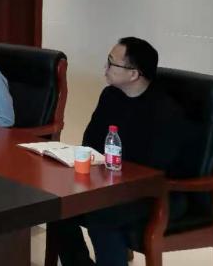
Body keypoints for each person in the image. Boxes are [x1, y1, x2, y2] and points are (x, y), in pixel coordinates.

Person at [48, 37, 187, 266]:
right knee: (58, 205)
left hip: (159, 192)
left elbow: (156, 166)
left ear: (133, 74)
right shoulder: (110, 95)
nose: (105, 67)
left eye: (112, 63)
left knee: (103, 213)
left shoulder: (165, 111)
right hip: (115, 184)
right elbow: (91, 140)